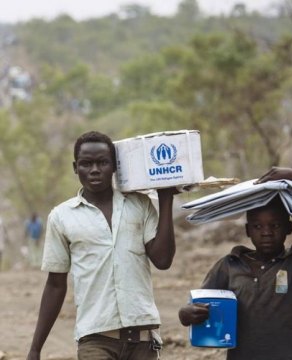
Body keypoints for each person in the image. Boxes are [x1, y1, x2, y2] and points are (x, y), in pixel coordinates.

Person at [27, 131, 179, 360]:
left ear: (115, 166)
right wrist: (35, 348)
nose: (95, 169)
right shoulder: (61, 217)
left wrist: (166, 199)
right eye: (86, 164)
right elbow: (56, 285)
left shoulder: (139, 204)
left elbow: (163, 260)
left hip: (143, 339)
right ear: (75, 167)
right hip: (95, 339)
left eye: (103, 162)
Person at [178, 167, 292, 360]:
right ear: (248, 230)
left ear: (288, 228)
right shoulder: (229, 265)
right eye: (258, 226)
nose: (266, 232)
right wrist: (186, 314)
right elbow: (200, 306)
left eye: (275, 225)